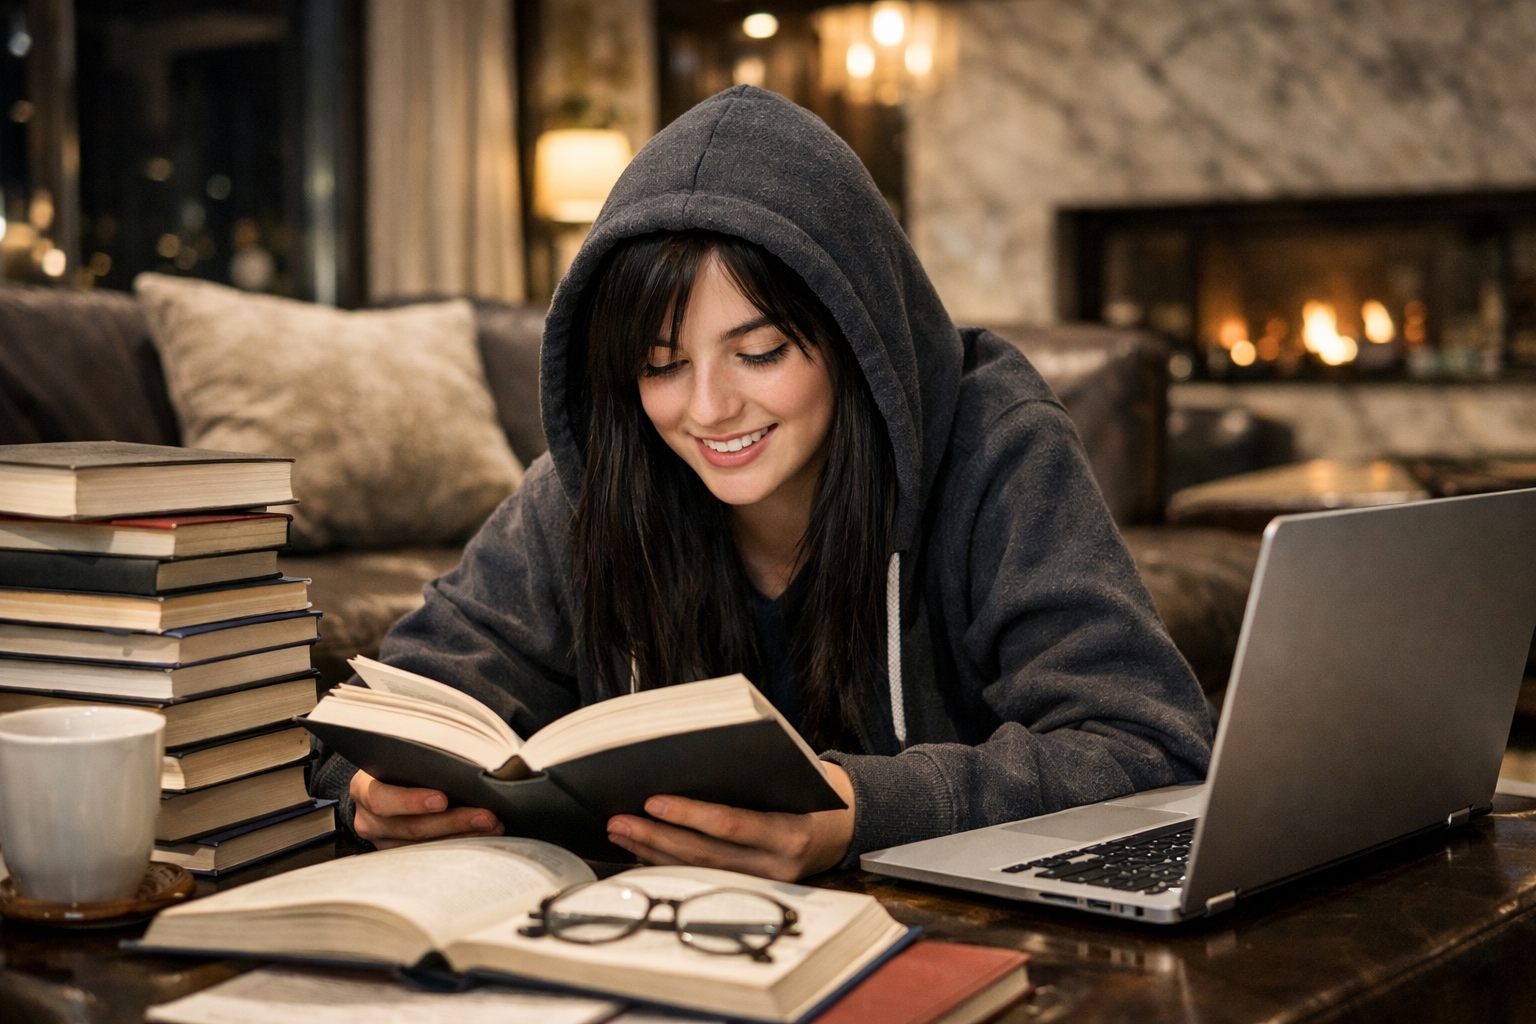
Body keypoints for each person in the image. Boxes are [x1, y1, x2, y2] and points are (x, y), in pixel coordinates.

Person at [312, 85, 1212, 881]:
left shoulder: (997, 447)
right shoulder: (590, 484)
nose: (708, 409)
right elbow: (377, 713)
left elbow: (1149, 745)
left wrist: (861, 813)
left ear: (852, 336)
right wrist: (361, 792)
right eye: (662, 365)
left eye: (760, 352)